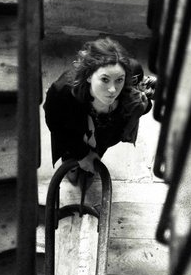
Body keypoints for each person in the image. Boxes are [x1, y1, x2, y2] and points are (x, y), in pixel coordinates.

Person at [43, 36, 155, 187]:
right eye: (104, 79)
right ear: (89, 76)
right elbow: (55, 123)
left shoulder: (129, 87)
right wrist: (81, 155)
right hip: (74, 129)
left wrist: (142, 102)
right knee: (72, 151)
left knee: (99, 149)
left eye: (119, 80)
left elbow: (141, 109)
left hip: (105, 132)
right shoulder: (63, 91)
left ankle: (91, 166)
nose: (113, 90)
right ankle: (72, 164)